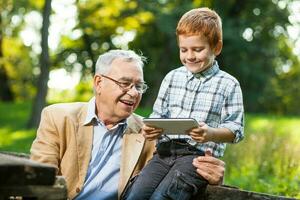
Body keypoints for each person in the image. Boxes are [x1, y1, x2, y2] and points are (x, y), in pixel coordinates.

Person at [30, 49, 226, 200]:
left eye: (139, 86)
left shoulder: (151, 132)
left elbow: (179, 166)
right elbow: (40, 179)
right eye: (125, 83)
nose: (133, 93)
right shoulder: (57, 117)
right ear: (99, 83)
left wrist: (210, 174)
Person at [123, 7, 244, 200]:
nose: (190, 56)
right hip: (163, 153)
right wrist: (151, 129)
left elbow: (236, 130)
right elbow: (157, 116)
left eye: (198, 49)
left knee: (163, 197)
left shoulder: (228, 84)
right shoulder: (172, 77)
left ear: (217, 48)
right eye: (183, 49)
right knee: (135, 195)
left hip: (195, 158)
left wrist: (210, 133)